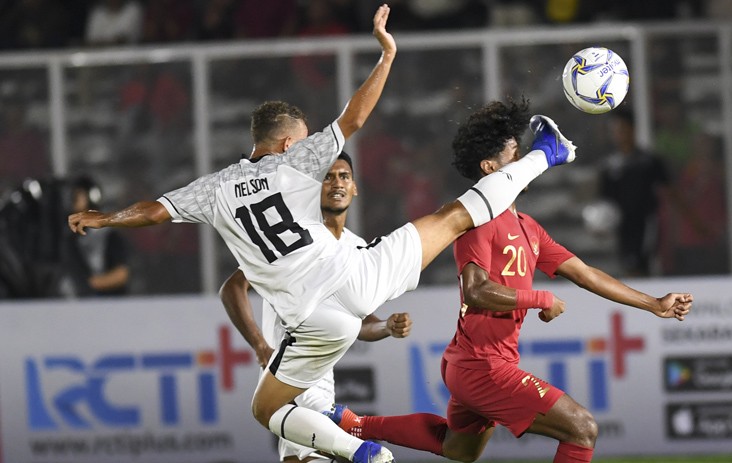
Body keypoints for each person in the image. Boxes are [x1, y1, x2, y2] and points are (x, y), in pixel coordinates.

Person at [67, 5, 577, 463]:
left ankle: (362, 452)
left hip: (313, 319)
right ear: (290, 140)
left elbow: (153, 211)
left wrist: (104, 218)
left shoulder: (214, 189)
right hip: (358, 274)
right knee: (453, 217)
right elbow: (355, 115)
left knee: (267, 409)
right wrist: (387, 55)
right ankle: (546, 153)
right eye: (305, 137)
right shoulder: (299, 158)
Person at [324, 99, 693, 463]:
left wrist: (654, 303)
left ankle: (356, 425)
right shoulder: (477, 221)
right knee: (582, 428)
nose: (524, 165)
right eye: (515, 157)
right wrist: (540, 299)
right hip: (481, 366)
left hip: (476, 362)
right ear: (490, 167)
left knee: (457, 448)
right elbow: (476, 289)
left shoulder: (528, 227)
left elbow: (586, 274)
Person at [220, 152, 413, 463]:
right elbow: (233, 287)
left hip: (319, 379)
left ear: (354, 187)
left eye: (344, 176)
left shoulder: (357, 247)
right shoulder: (291, 240)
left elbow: (360, 323)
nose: (336, 183)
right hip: (288, 373)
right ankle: (366, 453)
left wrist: (386, 327)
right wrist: (260, 345)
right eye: (327, 177)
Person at [598, 109, 672, 277]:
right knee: (628, 266)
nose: (619, 135)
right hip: (622, 227)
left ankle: (645, 301)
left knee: (641, 266)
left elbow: (670, 192)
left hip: (645, 224)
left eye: (622, 129)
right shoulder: (609, 165)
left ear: (633, 129)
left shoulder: (649, 162)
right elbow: (605, 202)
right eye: (615, 131)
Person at [63, 175, 131, 296]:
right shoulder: (70, 238)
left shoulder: (109, 235)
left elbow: (121, 274)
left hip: (109, 302)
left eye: (78, 194)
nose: (72, 199)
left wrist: (90, 284)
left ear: (92, 196)